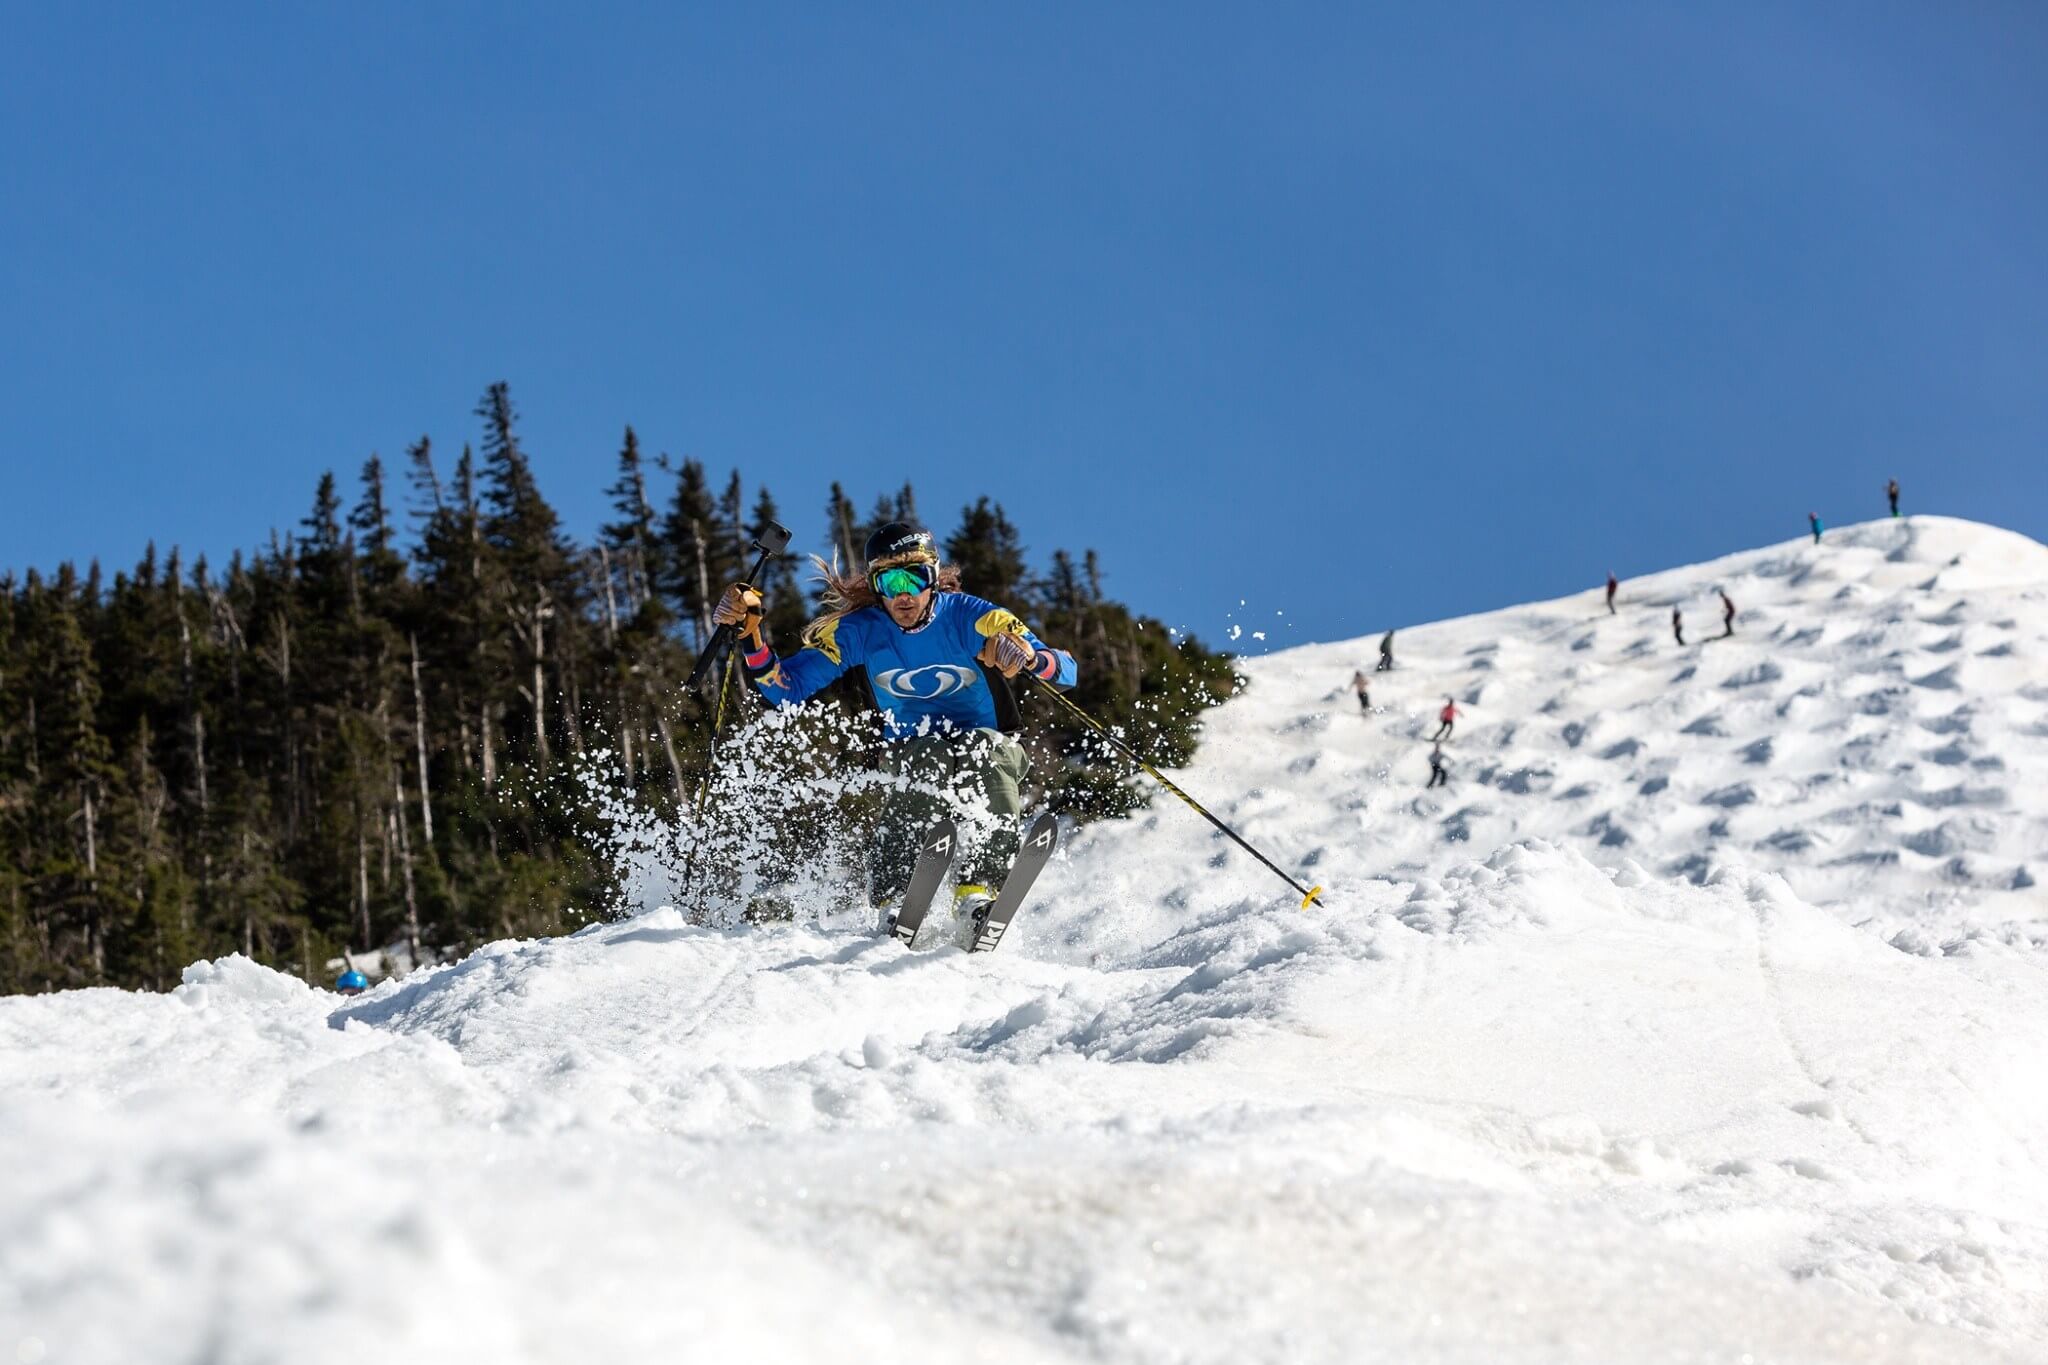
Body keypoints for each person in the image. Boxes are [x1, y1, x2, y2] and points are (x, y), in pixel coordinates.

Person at [713, 521, 1078, 925]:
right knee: (929, 755)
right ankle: (895, 896)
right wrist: (750, 637)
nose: (903, 593)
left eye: (915, 577)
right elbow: (786, 688)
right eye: (890, 581)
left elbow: (1068, 670)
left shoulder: (973, 617)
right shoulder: (860, 632)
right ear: (875, 586)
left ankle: (978, 893)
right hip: (913, 745)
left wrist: (1028, 656)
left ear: (934, 578)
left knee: (983, 752)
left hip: (990, 739)